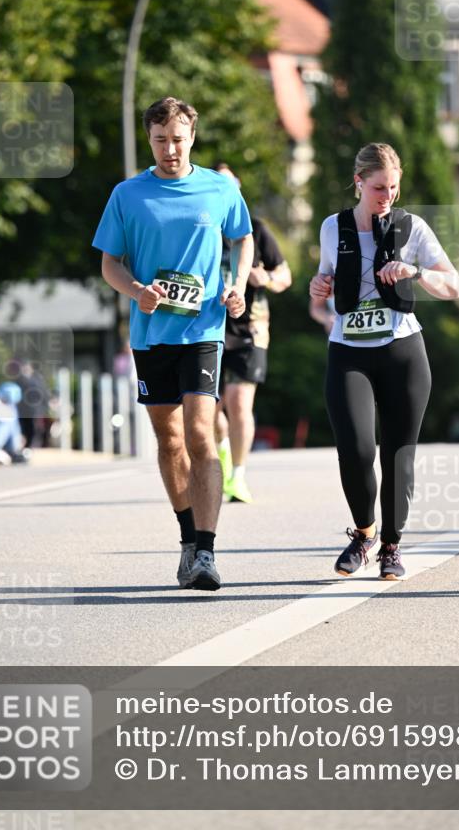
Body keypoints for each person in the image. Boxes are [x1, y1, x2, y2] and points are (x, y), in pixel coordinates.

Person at [92, 97, 253, 591]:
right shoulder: (127, 194)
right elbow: (109, 264)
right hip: (151, 334)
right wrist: (137, 290)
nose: (170, 149)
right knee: (170, 440)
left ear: (192, 137)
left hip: (203, 329)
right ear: (149, 140)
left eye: (178, 139)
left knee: (201, 433)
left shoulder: (219, 188)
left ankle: (206, 551)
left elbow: (242, 238)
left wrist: (237, 285)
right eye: (161, 140)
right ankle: (187, 540)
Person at [309, 143, 459, 581]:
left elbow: (454, 285)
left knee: (398, 454)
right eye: (378, 188)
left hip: (402, 351)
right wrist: (319, 287)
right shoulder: (332, 227)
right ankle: (364, 533)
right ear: (358, 182)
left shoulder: (412, 227)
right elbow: (324, 285)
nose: (387, 197)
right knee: (355, 449)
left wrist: (415, 273)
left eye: (393, 188)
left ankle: (392, 545)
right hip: (349, 349)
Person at [213, 163, 292, 504]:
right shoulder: (204, 228)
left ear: (239, 188)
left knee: (239, 401)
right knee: (209, 410)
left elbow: (285, 276)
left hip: (251, 328)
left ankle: (238, 476)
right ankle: (223, 458)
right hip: (210, 326)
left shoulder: (257, 230)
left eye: (231, 184)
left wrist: (265, 280)